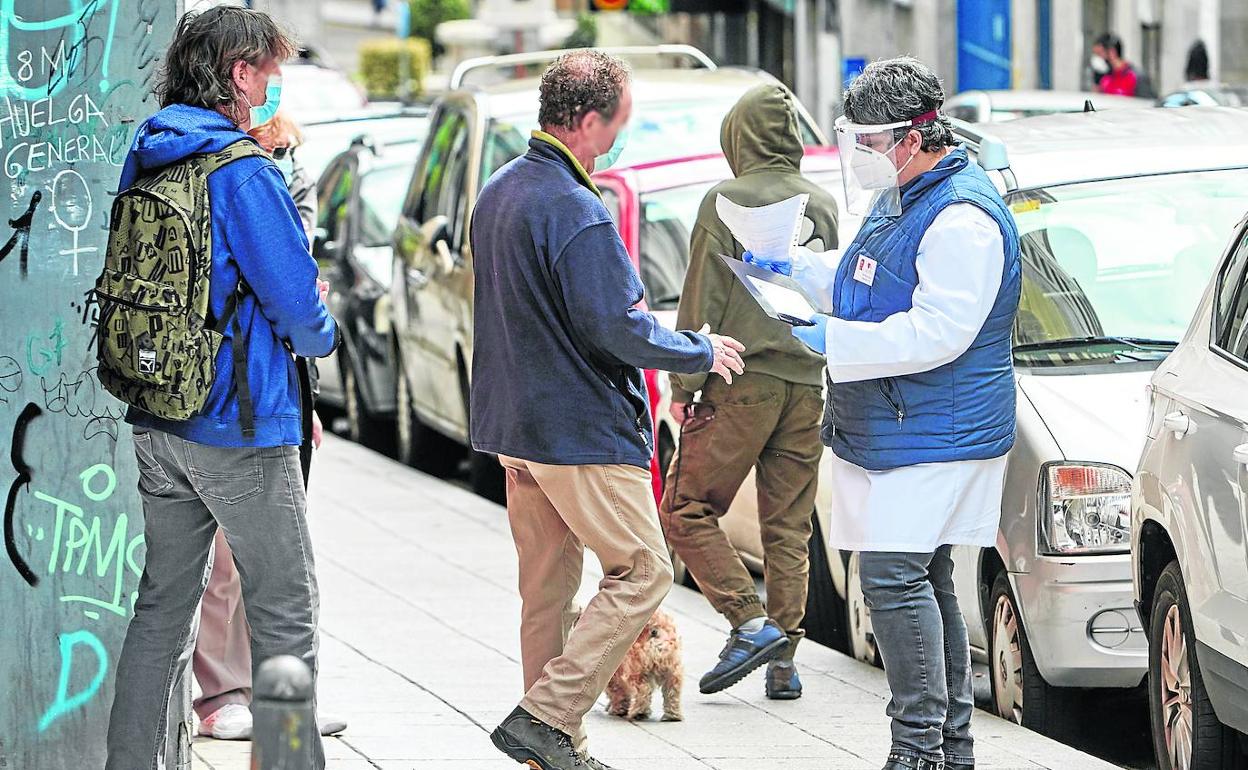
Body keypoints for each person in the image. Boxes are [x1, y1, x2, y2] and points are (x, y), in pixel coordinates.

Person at [469, 50, 746, 770]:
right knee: (644, 572)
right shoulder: (576, 209)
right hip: (579, 430)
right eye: (622, 121)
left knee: (547, 594)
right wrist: (699, 349)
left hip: (517, 428)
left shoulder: (498, 191)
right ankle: (548, 717)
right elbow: (617, 327)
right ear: (590, 122)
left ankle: (552, 752)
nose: (624, 133)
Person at [756, 57, 1021, 770]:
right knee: (923, 576)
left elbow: (938, 331)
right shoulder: (907, 192)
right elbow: (875, 277)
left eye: (870, 143)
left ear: (913, 137)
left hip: (939, 428)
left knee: (892, 576)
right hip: (906, 424)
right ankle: (949, 748)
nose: (862, 157)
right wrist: (802, 273)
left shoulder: (962, 214)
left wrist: (830, 338)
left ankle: (917, 750)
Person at [104, 7, 338, 769]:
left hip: (157, 416)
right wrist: (324, 332)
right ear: (241, 75)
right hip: (239, 426)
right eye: (271, 73)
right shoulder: (243, 171)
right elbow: (299, 310)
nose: (275, 87)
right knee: (285, 613)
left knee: (162, 611)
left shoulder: (152, 155)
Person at [660, 83, 838, 700]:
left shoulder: (724, 199)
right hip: (806, 384)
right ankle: (785, 663)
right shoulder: (820, 201)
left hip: (738, 381)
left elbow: (701, 295)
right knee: (788, 527)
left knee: (684, 509)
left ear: (737, 136)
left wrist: (685, 380)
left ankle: (748, 620)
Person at [192, 110, 344, 742]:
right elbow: (293, 298)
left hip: (263, 391)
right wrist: (320, 330)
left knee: (259, 565)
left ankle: (265, 696)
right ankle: (232, 698)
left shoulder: (271, 172)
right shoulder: (232, 175)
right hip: (238, 397)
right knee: (249, 567)